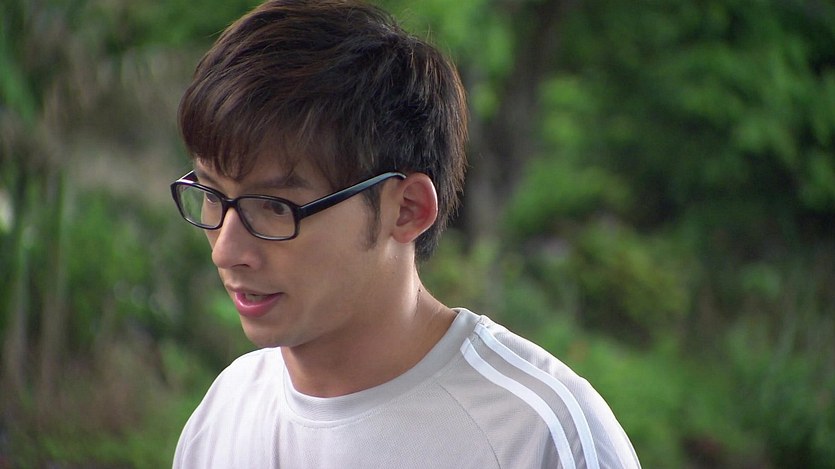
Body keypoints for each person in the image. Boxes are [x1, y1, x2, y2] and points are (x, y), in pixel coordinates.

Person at [169, 1, 640, 467]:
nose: (226, 251)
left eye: (274, 208)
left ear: (408, 209)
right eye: (212, 196)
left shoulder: (538, 434)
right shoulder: (222, 418)